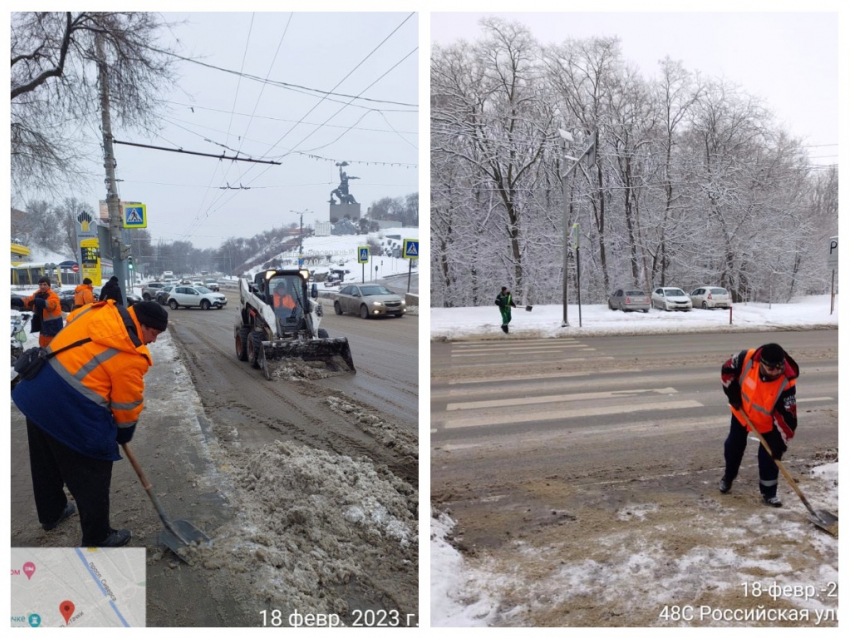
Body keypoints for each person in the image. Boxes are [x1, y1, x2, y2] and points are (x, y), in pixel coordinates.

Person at [12, 300, 169, 547]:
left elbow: (73, 324)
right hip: (67, 408)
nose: (154, 341)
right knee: (95, 468)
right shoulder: (129, 354)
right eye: (154, 333)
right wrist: (124, 434)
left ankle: (52, 513)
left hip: (36, 394)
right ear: (142, 325)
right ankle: (98, 536)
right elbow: (126, 407)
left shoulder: (98, 311)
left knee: (46, 462)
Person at [718, 343, 799, 507]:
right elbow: (727, 370)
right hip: (742, 414)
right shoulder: (746, 358)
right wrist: (732, 393)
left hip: (767, 424)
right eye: (771, 369)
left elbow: (788, 420)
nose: (776, 372)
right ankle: (728, 477)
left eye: (779, 368)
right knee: (733, 446)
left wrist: (779, 445)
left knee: (769, 457)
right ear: (761, 363)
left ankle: (769, 493)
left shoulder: (786, 383)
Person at [17, 276, 63, 347]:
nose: (42, 287)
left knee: (53, 346)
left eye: (45, 284)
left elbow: (52, 305)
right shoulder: (37, 294)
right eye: (40, 285)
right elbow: (28, 300)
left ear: (49, 285)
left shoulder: (53, 295)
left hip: (53, 326)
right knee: (43, 344)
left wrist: (41, 302)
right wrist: (18, 301)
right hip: (43, 324)